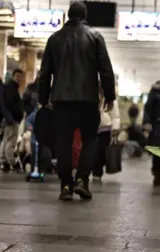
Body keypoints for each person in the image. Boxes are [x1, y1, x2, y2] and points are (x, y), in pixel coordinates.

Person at [38, 1, 116, 201]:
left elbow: (45, 73)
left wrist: (43, 99)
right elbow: (106, 69)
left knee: (63, 141)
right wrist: (109, 97)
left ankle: (65, 185)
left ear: (68, 15)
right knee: (90, 139)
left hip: (61, 100)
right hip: (88, 99)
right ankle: (82, 180)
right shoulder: (95, 37)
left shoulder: (54, 38)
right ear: (85, 15)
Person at [91, 86, 120, 181]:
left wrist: (115, 127)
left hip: (105, 128)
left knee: (102, 152)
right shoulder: (90, 96)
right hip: (93, 128)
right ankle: (96, 172)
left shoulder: (110, 98)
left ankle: (98, 170)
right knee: (93, 151)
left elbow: (115, 115)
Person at [0, 68, 24, 172]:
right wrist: (16, 116)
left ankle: (3, 161)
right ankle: (12, 162)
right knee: (11, 142)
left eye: (20, 76)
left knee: (5, 140)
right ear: (13, 76)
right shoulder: (11, 88)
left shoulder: (9, 87)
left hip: (8, 118)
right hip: (12, 119)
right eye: (17, 76)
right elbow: (10, 104)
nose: (19, 78)